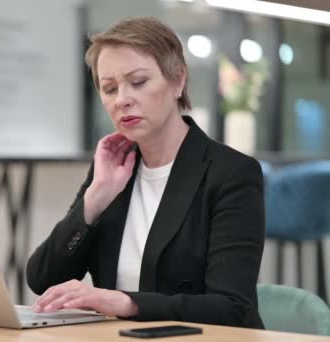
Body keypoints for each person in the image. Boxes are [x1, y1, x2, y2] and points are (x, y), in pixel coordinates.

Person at [26, 17, 265, 329]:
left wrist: (125, 302)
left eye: (138, 82)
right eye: (109, 88)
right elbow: (42, 279)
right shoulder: (113, 171)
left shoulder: (232, 174)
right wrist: (95, 198)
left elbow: (229, 307)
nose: (122, 99)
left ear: (178, 80)